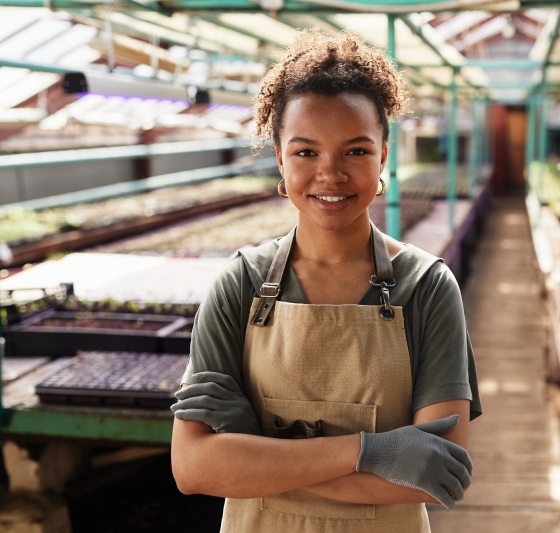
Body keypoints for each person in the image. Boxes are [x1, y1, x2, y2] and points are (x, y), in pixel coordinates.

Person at [170, 28, 481, 532]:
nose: (330, 174)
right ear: (279, 158)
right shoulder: (240, 286)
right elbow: (193, 468)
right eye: (306, 152)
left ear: (384, 156)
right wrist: (370, 452)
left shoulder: (426, 287)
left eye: (355, 152)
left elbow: (434, 475)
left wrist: (259, 450)